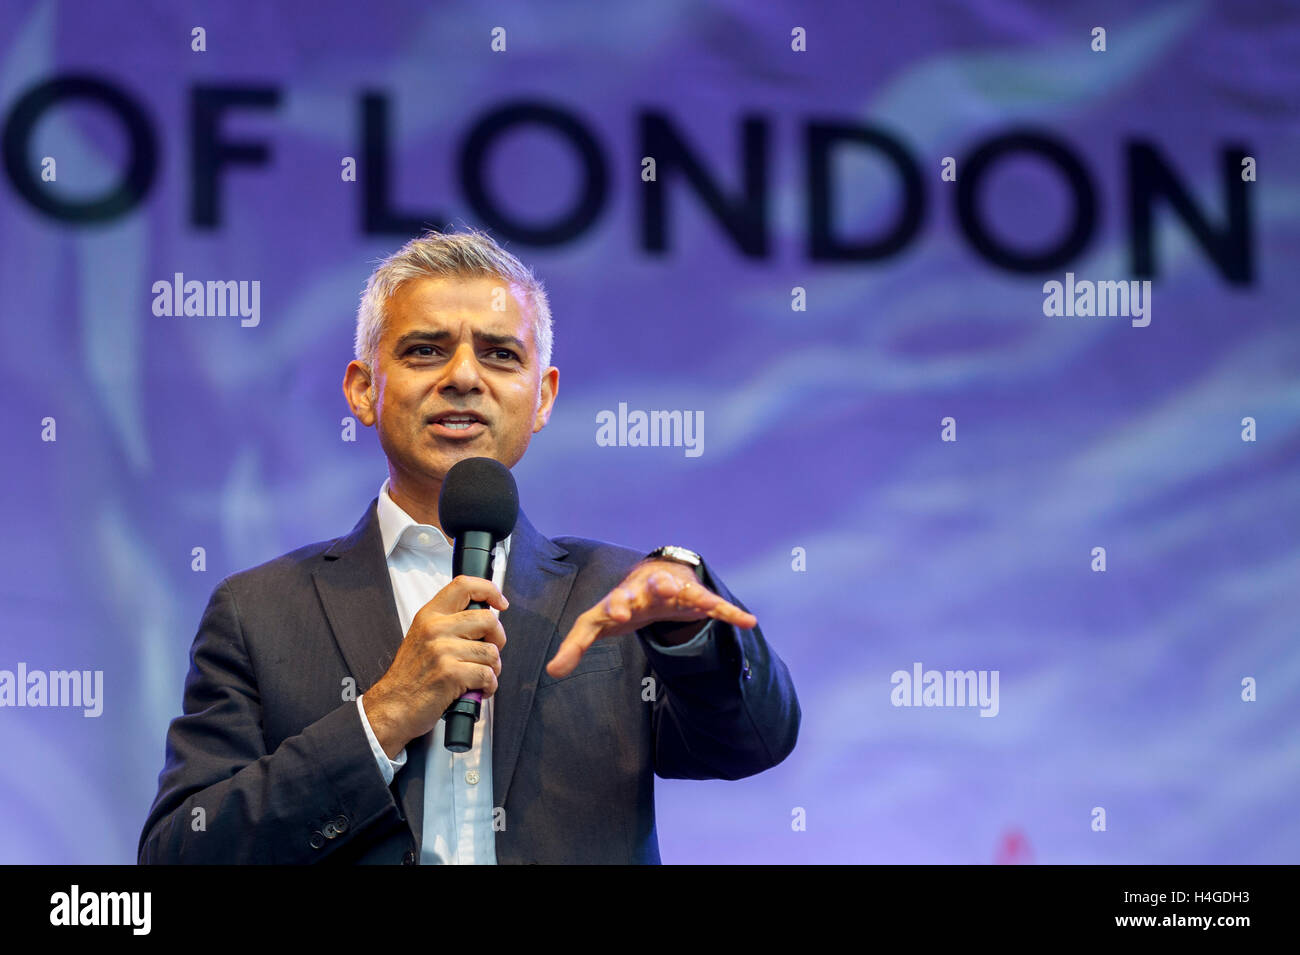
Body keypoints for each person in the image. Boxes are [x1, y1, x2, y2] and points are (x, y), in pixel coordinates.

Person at [138, 228, 800, 864]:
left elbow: (754, 742)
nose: (463, 376)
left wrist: (690, 636)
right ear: (363, 389)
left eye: (500, 354)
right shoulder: (259, 612)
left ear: (542, 398)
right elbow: (183, 851)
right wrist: (382, 716)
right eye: (425, 350)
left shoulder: (619, 596)